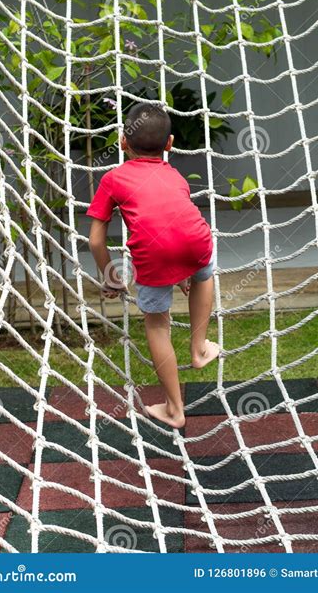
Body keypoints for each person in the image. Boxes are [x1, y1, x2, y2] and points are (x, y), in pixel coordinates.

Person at [87, 102, 219, 428]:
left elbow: (95, 241)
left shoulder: (113, 178)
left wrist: (113, 278)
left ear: (122, 142)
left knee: (158, 325)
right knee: (205, 275)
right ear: (170, 144)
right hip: (197, 242)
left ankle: (175, 409)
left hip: (154, 257)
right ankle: (199, 346)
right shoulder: (175, 176)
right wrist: (183, 272)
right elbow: (173, 223)